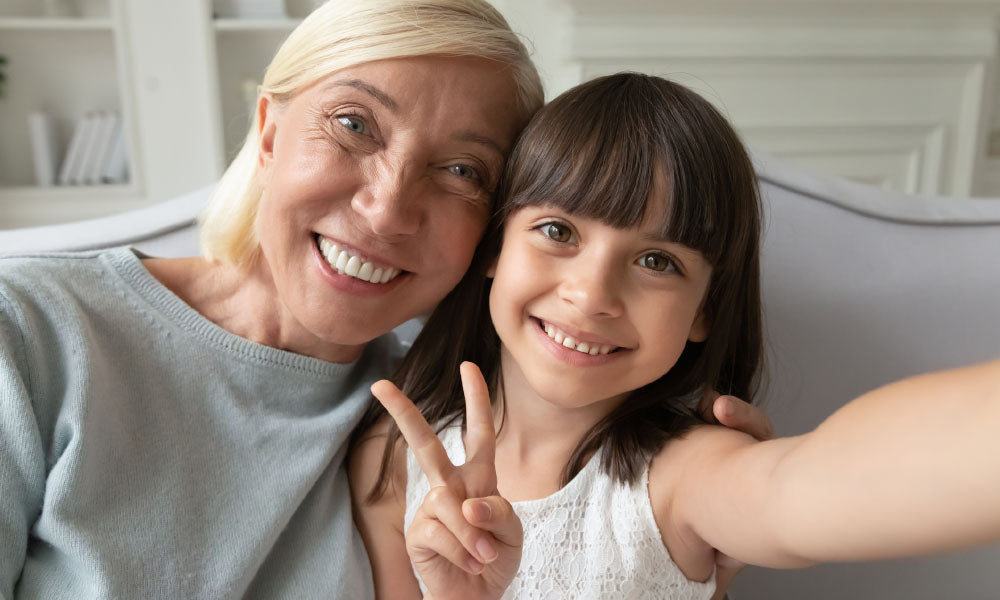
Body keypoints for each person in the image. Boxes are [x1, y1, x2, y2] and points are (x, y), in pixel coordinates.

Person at [0, 2, 770, 598]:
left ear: (494, 234)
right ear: (268, 132)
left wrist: (707, 503)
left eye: (463, 171)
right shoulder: (31, 331)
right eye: (353, 124)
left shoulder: (433, 421)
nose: (387, 210)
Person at [349, 72, 1000, 600]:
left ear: (704, 312)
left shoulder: (685, 478)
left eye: (657, 261)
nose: (592, 295)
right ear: (495, 246)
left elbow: (808, 484)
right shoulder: (395, 456)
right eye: (558, 232)